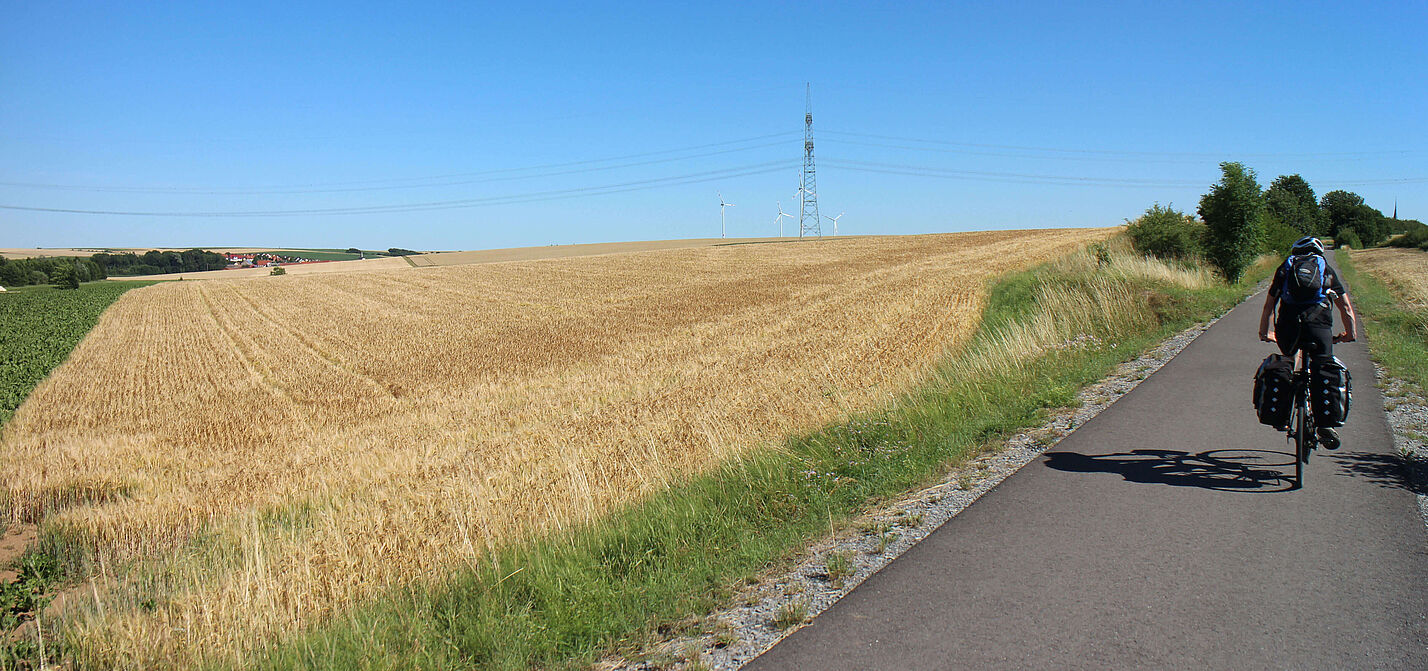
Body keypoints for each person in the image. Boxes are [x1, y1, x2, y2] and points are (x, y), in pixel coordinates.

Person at [1257, 236, 1357, 447]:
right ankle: (1324, 424)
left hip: (1288, 327)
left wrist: (1265, 332)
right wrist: (1349, 334)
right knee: (1322, 367)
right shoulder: (1326, 270)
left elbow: (1269, 305)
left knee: (1288, 362)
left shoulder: (1285, 269)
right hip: (1318, 327)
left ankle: (1282, 416)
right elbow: (1346, 308)